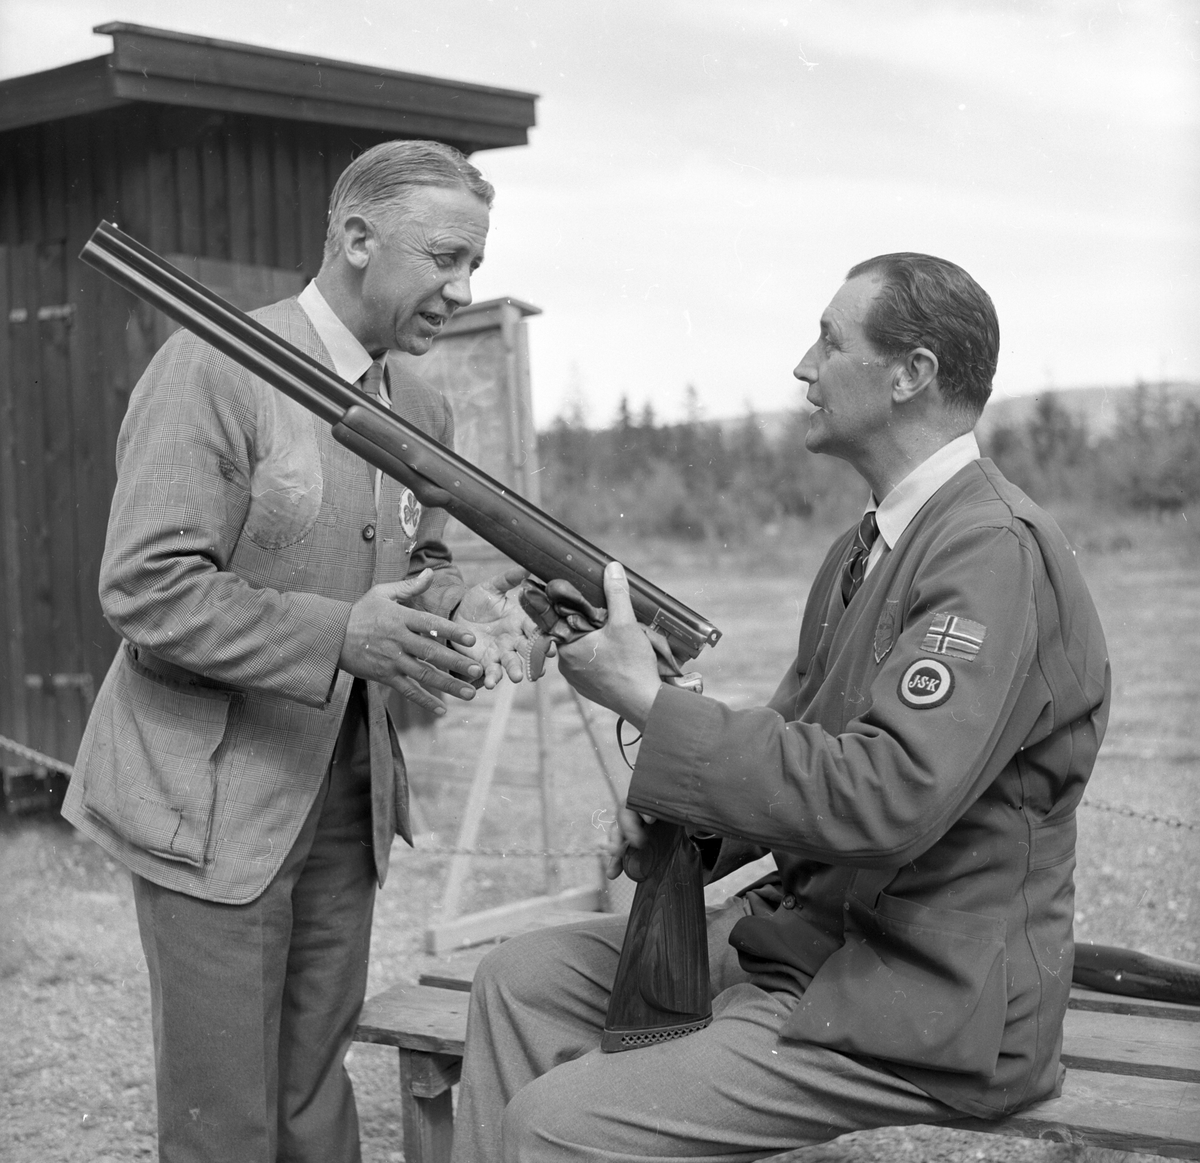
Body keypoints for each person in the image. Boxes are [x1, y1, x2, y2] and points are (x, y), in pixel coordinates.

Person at [451, 253, 1111, 1162]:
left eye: (830, 341)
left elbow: (886, 795)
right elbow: (803, 745)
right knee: (518, 978)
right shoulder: (869, 544)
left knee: (553, 1124)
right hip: (817, 943)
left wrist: (644, 695)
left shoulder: (991, 549)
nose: (804, 367)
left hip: (927, 998)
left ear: (911, 374)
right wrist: (684, 825)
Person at [61, 139, 533, 1162]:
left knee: (317, 1091)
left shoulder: (421, 401)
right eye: (445, 257)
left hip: (346, 792)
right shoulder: (214, 364)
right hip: (214, 799)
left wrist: (470, 607)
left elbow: (425, 548)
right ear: (357, 238)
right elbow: (145, 586)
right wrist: (344, 632)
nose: (462, 288)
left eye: (475, 267)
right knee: (226, 1116)